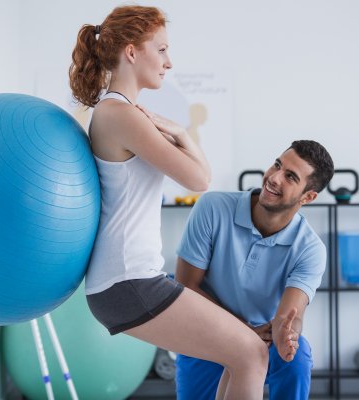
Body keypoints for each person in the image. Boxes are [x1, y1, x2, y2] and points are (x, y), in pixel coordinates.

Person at [68, 5, 280, 399]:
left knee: (245, 355)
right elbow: (199, 178)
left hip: (130, 278)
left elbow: (200, 175)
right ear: (132, 52)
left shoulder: (124, 113)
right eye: (161, 49)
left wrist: (181, 131)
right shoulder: (119, 114)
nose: (169, 62)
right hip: (128, 281)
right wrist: (182, 135)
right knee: (250, 353)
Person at [174, 140, 334, 400]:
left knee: (297, 356)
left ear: (308, 197)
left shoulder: (310, 249)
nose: (274, 177)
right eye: (278, 165)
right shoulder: (212, 208)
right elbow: (185, 287)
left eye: (290, 177)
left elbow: (290, 315)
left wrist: (287, 333)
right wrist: (241, 331)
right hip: (205, 333)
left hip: (263, 340)